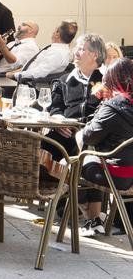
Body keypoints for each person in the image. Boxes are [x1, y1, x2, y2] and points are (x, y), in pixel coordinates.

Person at [47, 33, 106, 236]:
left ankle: (92, 217)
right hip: (65, 135)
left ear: (95, 55)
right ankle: (91, 216)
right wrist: (58, 122)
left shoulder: (105, 81)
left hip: (92, 137)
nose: (76, 52)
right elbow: (54, 108)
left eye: (81, 48)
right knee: (43, 149)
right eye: (77, 48)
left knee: (88, 152)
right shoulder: (64, 80)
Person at [81, 58, 133, 235]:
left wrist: (103, 104)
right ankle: (95, 219)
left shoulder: (113, 106)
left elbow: (89, 136)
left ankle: (90, 216)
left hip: (116, 176)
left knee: (69, 164)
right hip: (130, 175)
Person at [8, 20, 78, 83]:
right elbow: (34, 65)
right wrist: (16, 72)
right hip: (24, 78)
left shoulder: (58, 53)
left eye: (55, 29)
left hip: (28, 85)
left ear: (57, 34)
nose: (53, 32)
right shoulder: (54, 48)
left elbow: (39, 73)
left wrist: (15, 75)